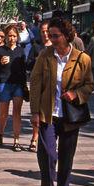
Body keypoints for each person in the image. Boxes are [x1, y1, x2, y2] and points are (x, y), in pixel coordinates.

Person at [29, 18, 94, 186]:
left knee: (67, 157)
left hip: (69, 116)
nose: (51, 39)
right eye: (50, 35)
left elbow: (89, 85)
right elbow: (35, 83)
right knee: (48, 155)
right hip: (48, 114)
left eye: (55, 36)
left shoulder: (82, 59)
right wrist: (34, 111)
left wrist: (77, 94)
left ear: (67, 36)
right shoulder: (45, 56)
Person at [0, 25, 26, 151]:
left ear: (17, 37)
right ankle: (0, 133)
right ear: (6, 37)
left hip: (17, 84)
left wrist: (24, 87)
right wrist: (0, 63)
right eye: (10, 35)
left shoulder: (20, 51)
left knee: (17, 113)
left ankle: (16, 140)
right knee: (3, 114)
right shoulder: (0, 51)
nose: (12, 38)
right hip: (4, 84)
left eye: (14, 36)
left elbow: (23, 70)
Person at [26, 19, 52, 151]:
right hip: (38, 84)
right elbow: (28, 63)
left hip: (52, 86)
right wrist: (36, 61)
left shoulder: (57, 46)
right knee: (37, 112)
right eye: (43, 32)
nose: (45, 34)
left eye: (48, 31)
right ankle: (35, 137)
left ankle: (49, 139)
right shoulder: (36, 46)